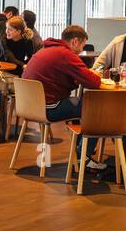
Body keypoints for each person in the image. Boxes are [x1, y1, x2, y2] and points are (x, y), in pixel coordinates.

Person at [20, 25, 103, 164]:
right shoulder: (65, 54)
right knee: (95, 107)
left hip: (30, 107)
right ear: (75, 41)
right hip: (49, 109)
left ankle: (80, 151)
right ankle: (84, 158)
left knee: (80, 103)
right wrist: (93, 75)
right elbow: (93, 82)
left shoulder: (46, 50)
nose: (82, 50)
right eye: (82, 45)